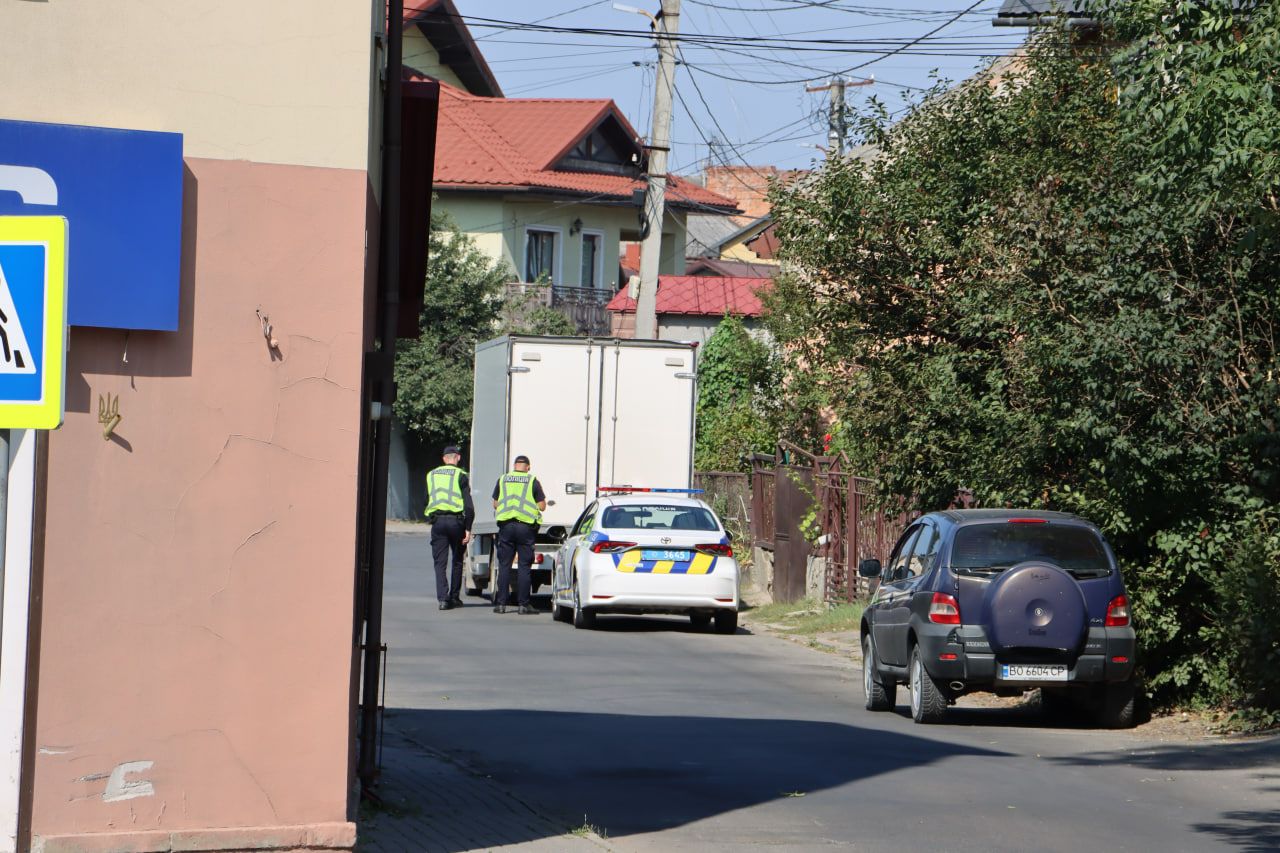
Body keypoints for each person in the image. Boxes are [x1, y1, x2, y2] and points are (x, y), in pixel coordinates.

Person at [491, 454, 546, 615]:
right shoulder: (532, 481)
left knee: (504, 565)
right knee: (524, 566)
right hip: (525, 528)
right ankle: (523, 605)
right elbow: (542, 506)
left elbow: (495, 503)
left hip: (506, 527)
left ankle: (501, 604)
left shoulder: (503, 479)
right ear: (528, 467)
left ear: (515, 465)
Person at [425, 445, 474, 610]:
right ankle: (454, 597)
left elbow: (427, 498)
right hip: (456, 522)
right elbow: (468, 506)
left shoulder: (431, 475)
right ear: (458, 458)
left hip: (437, 522)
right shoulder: (461, 475)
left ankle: (443, 600)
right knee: (457, 560)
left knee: (440, 563)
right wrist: (468, 527)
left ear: (444, 459)